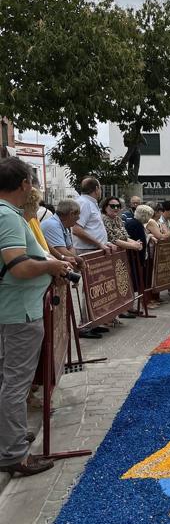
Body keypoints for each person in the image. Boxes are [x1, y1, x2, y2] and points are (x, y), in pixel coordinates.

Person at [0, 157, 71, 478]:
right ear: (25, 184)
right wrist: (51, 267)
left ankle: (9, 438)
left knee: (7, 380)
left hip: (11, 308)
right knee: (16, 382)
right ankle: (15, 454)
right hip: (20, 311)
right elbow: (20, 266)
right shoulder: (8, 217)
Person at [73, 177, 117, 255]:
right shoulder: (84, 203)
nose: (101, 191)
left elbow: (93, 228)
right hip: (88, 250)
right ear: (97, 189)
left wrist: (104, 243)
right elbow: (76, 230)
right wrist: (99, 244)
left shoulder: (90, 202)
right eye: (100, 188)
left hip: (94, 248)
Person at [41, 199, 82, 266]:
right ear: (71, 214)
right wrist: (79, 260)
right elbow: (62, 251)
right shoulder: (53, 225)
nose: (79, 218)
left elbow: (70, 248)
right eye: (78, 214)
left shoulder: (63, 225)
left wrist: (75, 261)